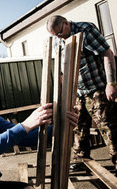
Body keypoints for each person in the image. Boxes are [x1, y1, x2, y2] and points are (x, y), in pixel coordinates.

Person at [46, 15, 117, 171]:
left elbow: (107, 53)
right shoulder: (59, 40)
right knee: (78, 125)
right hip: (76, 92)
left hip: (97, 88)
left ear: (66, 23)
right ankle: (81, 159)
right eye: (54, 35)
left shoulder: (86, 30)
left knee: (107, 125)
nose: (58, 37)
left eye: (59, 33)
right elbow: (63, 69)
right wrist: (66, 93)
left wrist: (111, 83)